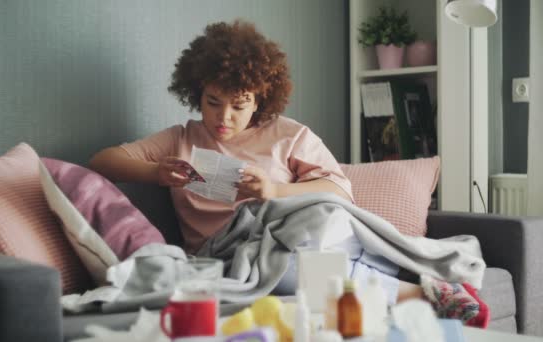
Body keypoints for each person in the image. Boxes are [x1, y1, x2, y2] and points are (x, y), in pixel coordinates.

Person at [90, 20, 487, 326]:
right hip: (236, 254)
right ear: (196, 93)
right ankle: (420, 296)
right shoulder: (181, 139)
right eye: (212, 102)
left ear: (260, 99)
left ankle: (416, 294)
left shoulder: (288, 134)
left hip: (311, 236)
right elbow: (102, 162)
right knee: (291, 270)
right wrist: (156, 172)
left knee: (318, 229)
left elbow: (339, 194)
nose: (223, 118)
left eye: (238, 105)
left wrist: (274, 190)